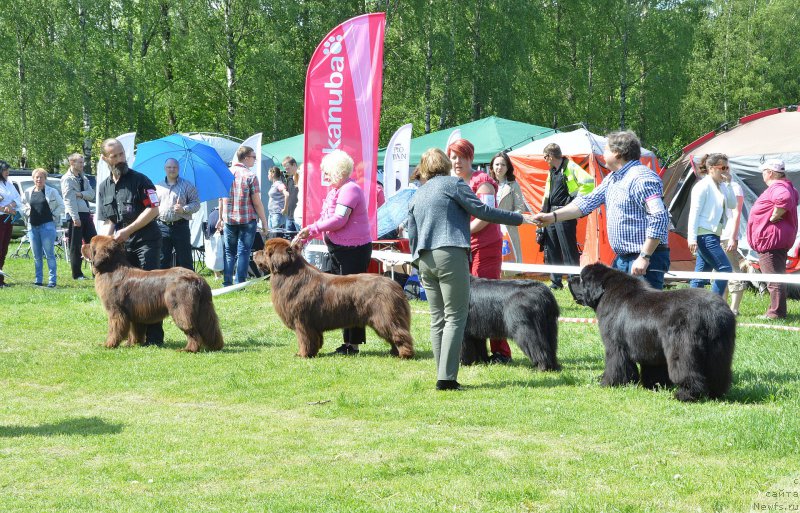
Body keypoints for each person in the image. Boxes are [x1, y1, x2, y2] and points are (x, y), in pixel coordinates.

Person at [407, 148, 535, 390]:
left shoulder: (417, 195)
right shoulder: (453, 184)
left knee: (437, 319)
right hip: (450, 254)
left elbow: (411, 232)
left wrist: (417, 261)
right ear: (445, 164)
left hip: (425, 260)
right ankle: (446, 379)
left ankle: (441, 372)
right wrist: (520, 219)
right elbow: (483, 211)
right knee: (456, 316)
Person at [533, 131, 671, 290]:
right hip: (624, 259)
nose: (602, 154)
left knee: (645, 313)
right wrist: (552, 217)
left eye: (605, 150)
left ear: (618, 153)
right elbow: (586, 202)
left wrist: (644, 256)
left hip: (645, 259)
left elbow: (659, 217)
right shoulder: (613, 178)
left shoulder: (642, 178)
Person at [295, 150, 372, 356]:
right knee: (337, 297)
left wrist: (311, 229)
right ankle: (344, 342)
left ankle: (353, 344)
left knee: (352, 297)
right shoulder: (334, 192)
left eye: (327, 171)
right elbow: (325, 219)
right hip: (338, 251)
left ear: (337, 171)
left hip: (354, 251)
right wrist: (306, 238)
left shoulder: (350, 190)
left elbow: (339, 220)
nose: (324, 175)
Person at [448, 138, 512, 364]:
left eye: (461, 157)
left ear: (470, 158)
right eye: (453, 157)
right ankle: (475, 351)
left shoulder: (482, 181)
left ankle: (501, 352)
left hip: (485, 246)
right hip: (463, 247)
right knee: (468, 300)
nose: (457, 162)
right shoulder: (453, 182)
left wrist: (462, 234)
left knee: (490, 299)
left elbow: (485, 215)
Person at [96, 137, 164, 345]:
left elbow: (154, 209)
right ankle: (136, 338)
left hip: (147, 241)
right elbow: (110, 221)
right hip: (122, 247)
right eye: (114, 156)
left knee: (150, 290)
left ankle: (154, 338)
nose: (120, 159)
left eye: (122, 154)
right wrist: (104, 245)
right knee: (128, 294)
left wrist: (128, 230)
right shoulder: (104, 186)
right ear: (105, 158)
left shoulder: (141, 181)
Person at [746, 158, 799, 320]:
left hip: (771, 241)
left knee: (773, 278)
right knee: (776, 276)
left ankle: (775, 313)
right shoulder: (785, 186)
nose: (762, 174)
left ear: (769, 173)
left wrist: (776, 214)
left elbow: (783, 199)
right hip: (774, 241)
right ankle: (777, 310)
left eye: (763, 171)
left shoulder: (779, 187)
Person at [540, 143, 595, 289]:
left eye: (545, 157)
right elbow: (547, 194)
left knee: (568, 249)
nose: (545, 160)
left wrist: (575, 204)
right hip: (551, 213)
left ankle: (574, 281)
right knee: (551, 248)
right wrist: (543, 211)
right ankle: (555, 281)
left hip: (565, 214)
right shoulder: (552, 171)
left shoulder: (570, 166)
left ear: (550, 156)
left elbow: (589, 182)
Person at [218, 146, 268, 287]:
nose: (255, 160)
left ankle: (227, 282)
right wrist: (264, 221)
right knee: (243, 252)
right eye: (253, 157)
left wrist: (221, 218)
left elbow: (221, 198)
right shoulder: (250, 176)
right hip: (247, 219)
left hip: (229, 219)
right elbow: (257, 202)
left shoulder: (225, 173)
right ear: (246, 158)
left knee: (229, 252)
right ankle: (240, 282)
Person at [687, 153, 736, 297]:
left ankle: (692, 307)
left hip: (713, 235)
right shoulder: (702, 186)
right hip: (704, 235)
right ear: (711, 168)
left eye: (727, 168)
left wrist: (728, 184)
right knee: (725, 270)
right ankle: (714, 304)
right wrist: (691, 238)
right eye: (723, 167)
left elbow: (732, 204)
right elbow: (694, 213)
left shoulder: (722, 185)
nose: (726, 171)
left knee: (701, 274)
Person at [22, 169, 65, 287]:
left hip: (47, 227)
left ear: (45, 179)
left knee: (49, 254)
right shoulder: (28, 192)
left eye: (41, 177)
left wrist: (53, 215)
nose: (39, 179)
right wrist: (27, 212)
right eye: (36, 177)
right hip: (33, 227)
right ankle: (38, 280)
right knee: (36, 256)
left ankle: (52, 281)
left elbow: (61, 206)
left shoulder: (52, 191)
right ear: (33, 178)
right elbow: (23, 205)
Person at [155, 158, 201, 270]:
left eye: (174, 167)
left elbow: (196, 204)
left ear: (178, 169)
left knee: (185, 260)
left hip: (180, 227)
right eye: (169, 167)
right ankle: (163, 286)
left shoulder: (187, 185)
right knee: (162, 260)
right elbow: (153, 206)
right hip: (162, 227)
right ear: (164, 169)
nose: (172, 169)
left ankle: (190, 285)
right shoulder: (158, 186)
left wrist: (184, 209)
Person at [490, 151, 532, 264]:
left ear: (508, 167)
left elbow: (520, 207)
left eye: (503, 164)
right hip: (489, 227)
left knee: (509, 262)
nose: (500, 167)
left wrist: (508, 218)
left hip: (508, 227)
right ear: (492, 166)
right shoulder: (486, 184)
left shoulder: (513, 185)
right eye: (497, 164)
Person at [61, 153, 96, 280]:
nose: (82, 165)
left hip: (86, 213)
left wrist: (80, 194)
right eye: (80, 162)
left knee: (93, 243)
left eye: (82, 162)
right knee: (75, 245)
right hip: (75, 215)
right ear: (72, 163)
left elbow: (91, 194)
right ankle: (77, 274)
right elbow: (69, 199)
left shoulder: (84, 178)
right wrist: (75, 218)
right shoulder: (67, 179)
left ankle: (95, 272)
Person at [721, 172, 746, 314]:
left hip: (727, 234)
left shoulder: (735, 187)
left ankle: (734, 308)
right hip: (716, 235)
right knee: (718, 271)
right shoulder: (715, 186)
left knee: (732, 269)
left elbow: (736, 214)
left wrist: (733, 236)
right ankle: (722, 306)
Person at [0, 160, 23, 288]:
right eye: (5, 170)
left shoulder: (8, 183)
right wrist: (4, 209)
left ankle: (0, 279)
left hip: (8, 220)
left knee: (4, 249)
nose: (7, 172)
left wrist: (10, 205)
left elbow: (18, 198)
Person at [267, 166, 289, 231]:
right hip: (272, 214)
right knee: (272, 235)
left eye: (268, 174)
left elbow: (287, 194)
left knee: (276, 235)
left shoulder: (279, 184)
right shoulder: (274, 185)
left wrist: (285, 209)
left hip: (277, 214)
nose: (268, 176)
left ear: (272, 174)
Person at [282, 156, 300, 232]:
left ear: (294, 165)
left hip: (299, 216)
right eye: (285, 169)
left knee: (300, 242)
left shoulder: (302, 178)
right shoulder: (289, 179)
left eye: (288, 168)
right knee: (288, 241)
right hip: (289, 216)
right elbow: (288, 195)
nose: (286, 171)